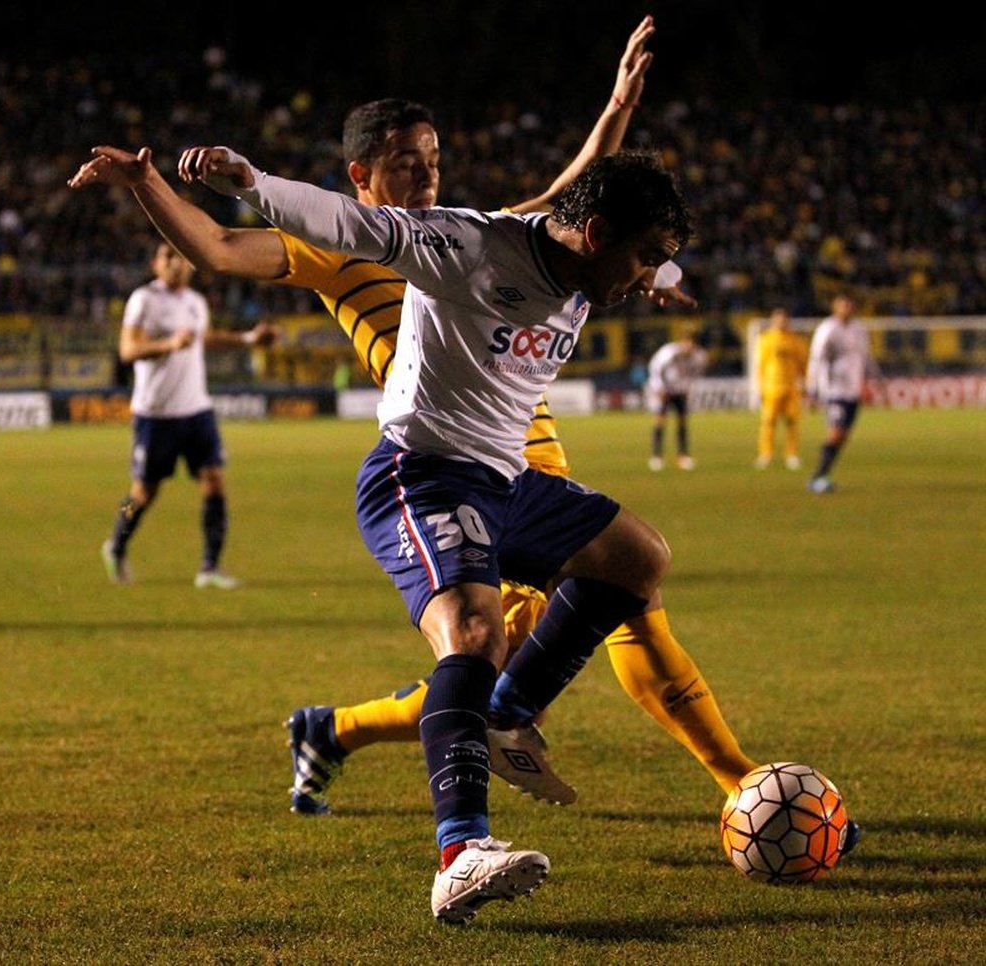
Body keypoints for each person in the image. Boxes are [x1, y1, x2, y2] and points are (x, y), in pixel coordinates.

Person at [67, 18, 759, 828]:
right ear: (362, 176)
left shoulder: (483, 235)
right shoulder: (342, 248)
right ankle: (728, 788)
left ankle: (733, 781)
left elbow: (575, 201)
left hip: (523, 455)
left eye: (434, 161)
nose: (429, 177)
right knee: (498, 639)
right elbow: (218, 245)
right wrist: (149, 182)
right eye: (408, 165)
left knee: (611, 598)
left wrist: (618, 131)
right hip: (443, 460)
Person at [99, 241, 278, 588]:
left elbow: (202, 340)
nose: (177, 263)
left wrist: (248, 339)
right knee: (142, 494)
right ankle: (116, 542)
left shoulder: (196, 303)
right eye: (168, 256)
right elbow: (128, 349)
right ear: (155, 263)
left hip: (196, 409)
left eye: (182, 256)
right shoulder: (144, 300)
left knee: (214, 480)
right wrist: (167, 345)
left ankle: (209, 568)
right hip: (156, 415)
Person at [805, 293, 881, 493]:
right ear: (834, 307)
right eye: (842, 305)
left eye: (849, 305)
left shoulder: (859, 329)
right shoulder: (827, 329)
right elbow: (816, 359)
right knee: (836, 432)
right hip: (833, 390)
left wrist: (875, 379)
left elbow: (866, 357)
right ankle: (817, 478)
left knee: (843, 435)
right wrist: (812, 390)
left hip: (852, 390)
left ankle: (822, 476)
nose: (847, 309)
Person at [645, 325, 708, 471]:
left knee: (682, 422)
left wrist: (688, 388)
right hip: (664, 390)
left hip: (680, 390)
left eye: (692, 343)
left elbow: (695, 374)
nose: (689, 347)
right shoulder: (669, 352)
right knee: (660, 421)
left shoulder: (700, 356)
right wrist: (659, 388)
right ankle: (656, 456)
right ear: (683, 341)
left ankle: (683, 456)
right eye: (688, 342)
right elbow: (655, 368)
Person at [753, 306, 808, 470]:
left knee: (792, 422)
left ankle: (791, 455)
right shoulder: (766, 339)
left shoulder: (796, 340)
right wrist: (759, 386)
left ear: (788, 321)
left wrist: (805, 382)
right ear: (773, 320)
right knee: (768, 422)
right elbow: (760, 365)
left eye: (784, 319)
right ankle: (766, 455)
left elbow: (803, 364)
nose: (781, 322)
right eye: (778, 319)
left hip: (791, 387)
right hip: (771, 386)